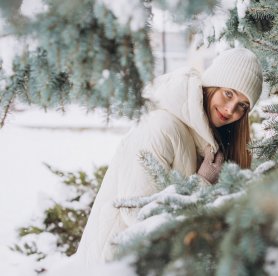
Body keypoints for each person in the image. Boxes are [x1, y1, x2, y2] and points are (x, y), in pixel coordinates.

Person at [75, 48, 263, 265]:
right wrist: (202, 183)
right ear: (211, 85)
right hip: (118, 263)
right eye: (228, 93)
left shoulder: (209, 141)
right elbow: (137, 213)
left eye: (243, 105)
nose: (231, 110)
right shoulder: (161, 127)